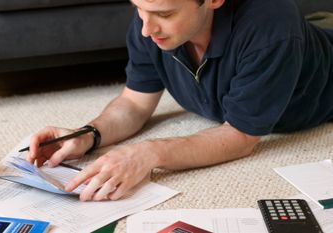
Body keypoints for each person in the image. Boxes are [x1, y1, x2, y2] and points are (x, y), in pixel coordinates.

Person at [27, 0, 333, 201]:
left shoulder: (271, 26)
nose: (147, 29)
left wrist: (148, 153)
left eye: (165, 14)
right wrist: (88, 135)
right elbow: (134, 104)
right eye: (138, 9)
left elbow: (240, 136)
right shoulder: (149, 22)